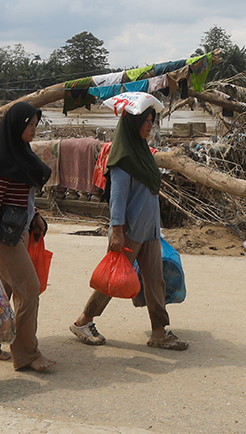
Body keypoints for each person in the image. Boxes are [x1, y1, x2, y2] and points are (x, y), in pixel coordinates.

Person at [69, 102, 188, 351]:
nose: (149, 125)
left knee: (156, 281)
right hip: (130, 230)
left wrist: (156, 227)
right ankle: (83, 321)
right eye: (145, 120)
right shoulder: (123, 158)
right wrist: (117, 232)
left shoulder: (143, 153)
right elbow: (118, 198)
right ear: (133, 124)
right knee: (113, 281)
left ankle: (158, 332)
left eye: (151, 120)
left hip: (150, 230)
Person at [0, 100, 56, 371]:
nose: (34, 130)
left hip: (18, 233)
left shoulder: (20, 154)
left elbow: (20, 200)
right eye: (30, 125)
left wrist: (35, 217)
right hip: (3, 239)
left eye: (36, 125)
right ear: (17, 126)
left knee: (2, 291)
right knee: (29, 290)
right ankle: (27, 354)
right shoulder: (1, 161)